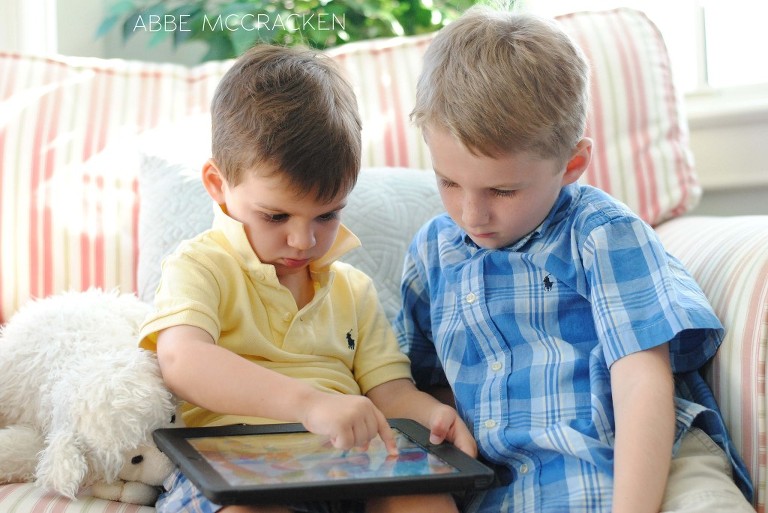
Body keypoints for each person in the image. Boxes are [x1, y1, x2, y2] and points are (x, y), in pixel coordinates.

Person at [395, 6, 754, 513]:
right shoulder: (433, 252)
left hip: (650, 462)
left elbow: (642, 384)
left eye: (502, 189)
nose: (471, 214)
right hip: (515, 488)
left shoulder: (601, 233)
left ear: (573, 164)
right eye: (448, 182)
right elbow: (414, 381)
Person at [138, 44, 475, 513]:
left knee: (424, 495)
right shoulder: (201, 265)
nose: (303, 240)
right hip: (237, 468)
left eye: (327, 215)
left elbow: (391, 392)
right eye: (276, 216)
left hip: (350, 467)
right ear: (218, 185)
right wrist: (309, 404)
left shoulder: (353, 290)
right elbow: (181, 359)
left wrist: (434, 416)